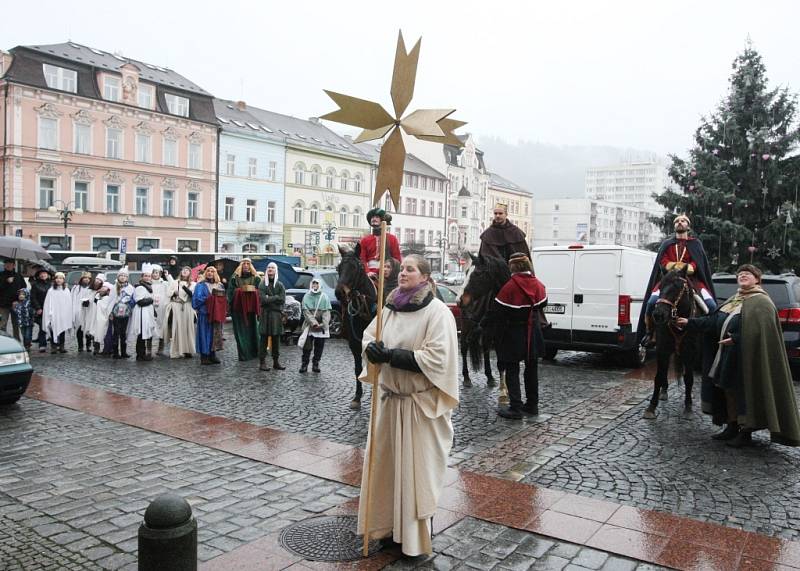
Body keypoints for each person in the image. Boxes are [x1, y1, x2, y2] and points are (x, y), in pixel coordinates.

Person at [358, 254, 459, 557]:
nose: (403, 273)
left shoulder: (438, 312)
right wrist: (372, 350)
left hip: (419, 408)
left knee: (416, 477)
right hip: (390, 403)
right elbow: (368, 336)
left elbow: (438, 357)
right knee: (385, 472)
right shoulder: (388, 307)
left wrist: (392, 356)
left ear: (425, 277)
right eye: (402, 269)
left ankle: (414, 541)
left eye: (410, 269)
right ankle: (386, 529)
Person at [676, 264, 800, 448]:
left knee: (745, 392)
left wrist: (735, 338)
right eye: (740, 274)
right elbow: (712, 321)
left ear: (757, 279)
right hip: (728, 356)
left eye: (747, 274)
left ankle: (746, 430)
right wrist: (689, 322)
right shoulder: (734, 300)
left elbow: (761, 333)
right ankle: (732, 425)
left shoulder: (762, 302)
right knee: (728, 389)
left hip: (749, 359)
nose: (743, 276)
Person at [482, 253, 547, 419]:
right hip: (533, 333)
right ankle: (532, 405)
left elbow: (498, 311)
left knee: (512, 369)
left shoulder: (510, 287)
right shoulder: (538, 284)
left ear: (512, 267)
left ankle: (516, 408)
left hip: (513, 334)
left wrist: (483, 324)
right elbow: (543, 303)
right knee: (532, 369)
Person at [639, 214, 716, 347]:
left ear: (688, 226)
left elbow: (696, 264)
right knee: (651, 303)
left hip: (692, 280)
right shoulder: (667, 244)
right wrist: (678, 266)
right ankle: (650, 333)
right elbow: (662, 262)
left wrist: (684, 267)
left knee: (711, 306)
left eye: (683, 221)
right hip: (668, 280)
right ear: (674, 226)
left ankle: (710, 336)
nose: (680, 223)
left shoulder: (696, 244)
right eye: (677, 221)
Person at [227, 258, 261, 361]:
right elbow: (230, 293)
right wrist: (240, 291)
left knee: (254, 331)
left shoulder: (256, 278)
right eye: (244, 263)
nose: (246, 265)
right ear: (241, 265)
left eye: (248, 264)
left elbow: (261, 292)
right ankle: (244, 354)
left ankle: (256, 353)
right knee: (241, 333)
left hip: (252, 310)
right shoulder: (235, 278)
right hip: (239, 310)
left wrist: (254, 291)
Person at [193, 265, 227, 365]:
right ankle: (204, 356)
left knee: (215, 334)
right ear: (205, 273)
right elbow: (197, 299)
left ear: (215, 273)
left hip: (216, 313)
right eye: (208, 271)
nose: (210, 273)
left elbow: (223, 298)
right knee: (204, 334)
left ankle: (213, 354)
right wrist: (210, 298)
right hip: (205, 313)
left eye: (212, 271)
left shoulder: (219, 285)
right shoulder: (200, 285)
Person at [299, 278, 331, 373]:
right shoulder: (306, 296)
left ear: (319, 285)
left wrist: (323, 324)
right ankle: (304, 364)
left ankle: (315, 364)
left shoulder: (324, 297)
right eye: (313, 284)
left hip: (321, 326)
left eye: (316, 284)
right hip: (309, 325)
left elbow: (327, 312)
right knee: (307, 346)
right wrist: (313, 323)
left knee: (319, 346)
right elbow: (306, 311)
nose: (314, 286)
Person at [257, 262, 285, 371]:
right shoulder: (262, 284)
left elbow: (282, 300)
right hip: (265, 314)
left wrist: (270, 298)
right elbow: (263, 300)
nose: (270, 269)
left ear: (275, 270)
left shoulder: (280, 285)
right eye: (268, 267)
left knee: (276, 339)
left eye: (272, 268)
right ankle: (262, 362)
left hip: (276, 315)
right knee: (263, 338)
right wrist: (276, 297)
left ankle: (276, 362)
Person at [164, 266, 196, 358]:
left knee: (188, 329)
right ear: (181, 272)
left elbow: (193, 295)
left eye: (187, 270)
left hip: (188, 307)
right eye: (183, 270)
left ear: (190, 273)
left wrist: (185, 288)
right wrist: (174, 293)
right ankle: (176, 351)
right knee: (177, 328)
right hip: (176, 306)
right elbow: (168, 293)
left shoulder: (193, 284)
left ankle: (188, 350)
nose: (185, 271)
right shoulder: (175, 282)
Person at [359, 208, 402, 277]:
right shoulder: (365, 240)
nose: (374, 219)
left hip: (387, 273)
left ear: (382, 220)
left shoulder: (392, 238)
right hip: (369, 273)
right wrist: (367, 272)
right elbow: (362, 259)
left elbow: (397, 259)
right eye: (372, 217)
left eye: (376, 217)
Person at [129, 264, 157, 362]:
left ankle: (142, 354)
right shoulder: (140, 287)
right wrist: (151, 300)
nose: (147, 277)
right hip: (142, 313)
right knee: (141, 334)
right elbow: (140, 301)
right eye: (145, 275)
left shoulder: (149, 286)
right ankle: (140, 355)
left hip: (147, 313)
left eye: (149, 276)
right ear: (142, 277)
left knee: (145, 334)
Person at [43, 272, 73, 354]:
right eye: (57, 278)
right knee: (53, 329)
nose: (59, 280)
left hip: (63, 314)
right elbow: (48, 303)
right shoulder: (51, 290)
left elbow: (69, 303)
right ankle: (54, 346)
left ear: (63, 280)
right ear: (55, 279)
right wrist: (50, 312)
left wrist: (67, 313)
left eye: (60, 278)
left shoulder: (66, 290)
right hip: (54, 314)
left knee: (62, 330)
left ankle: (62, 346)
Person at [109, 269, 134, 359]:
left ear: (127, 278)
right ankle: (115, 352)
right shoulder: (114, 287)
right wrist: (111, 312)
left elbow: (132, 299)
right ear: (118, 276)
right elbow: (111, 300)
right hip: (116, 313)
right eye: (121, 275)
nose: (123, 277)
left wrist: (129, 303)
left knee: (124, 332)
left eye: (125, 276)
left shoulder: (130, 288)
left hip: (126, 313)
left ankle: (124, 352)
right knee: (116, 332)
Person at [0, 259, 26, 340]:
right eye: (6, 263)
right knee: (2, 324)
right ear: (4, 265)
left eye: (10, 264)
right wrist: (6, 281)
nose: (8, 265)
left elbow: (23, 287)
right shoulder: (1, 275)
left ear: (14, 265)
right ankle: (2, 340)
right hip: (3, 304)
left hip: (16, 304)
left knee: (16, 324)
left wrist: (21, 295)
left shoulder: (18, 276)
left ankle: (17, 341)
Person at [70, 272, 93, 352]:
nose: (86, 279)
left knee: (88, 329)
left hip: (87, 311)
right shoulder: (76, 288)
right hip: (78, 311)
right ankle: (80, 345)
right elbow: (72, 299)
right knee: (79, 329)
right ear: (82, 279)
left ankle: (88, 345)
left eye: (88, 278)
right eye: (85, 278)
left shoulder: (91, 288)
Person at [90, 282, 114, 357]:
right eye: (102, 287)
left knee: (106, 334)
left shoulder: (107, 298)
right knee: (99, 333)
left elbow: (104, 307)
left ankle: (107, 350)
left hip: (105, 319)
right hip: (98, 318)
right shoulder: (98, 296)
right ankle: (100, 349)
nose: (102, 289)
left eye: (105, 288)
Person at [150, 264, 169, 357]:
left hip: (162, 307)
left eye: (157, 272)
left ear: (160, 274)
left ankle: (160, 348)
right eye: (153, 272)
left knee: (161, 327)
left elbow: (170, 291)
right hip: (150, 307)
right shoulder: (149, 283)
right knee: (149, 327)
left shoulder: (164, 283)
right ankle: (148, 349)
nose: (155, 274)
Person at [30, 269, 51, 353]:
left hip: (50, 309)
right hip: (41, 309)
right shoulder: (35, 285)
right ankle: (42, 344)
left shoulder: (51, 285)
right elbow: (33, 298)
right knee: (42, 327)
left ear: (47, 275)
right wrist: (38, 308)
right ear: (38, 276)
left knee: (52, 326)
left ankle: (55, 343)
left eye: (44, 273)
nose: (43, 275)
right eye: (41, 274)